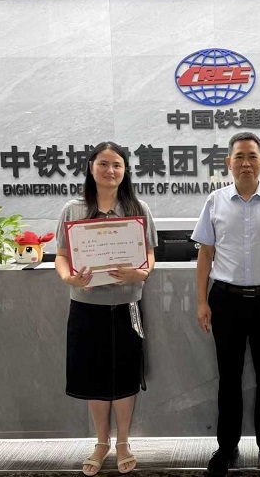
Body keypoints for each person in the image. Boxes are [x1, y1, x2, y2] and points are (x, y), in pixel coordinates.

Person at [191, 132, 260, 477]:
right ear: (228, 162)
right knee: (229, 379)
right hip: (226, 301)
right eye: (239, 156)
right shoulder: (215, 201)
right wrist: (201, 301)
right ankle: (227, 448)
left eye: (252, 156)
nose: (246, 163)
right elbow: (205, 254)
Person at [55, 141, 157, 476]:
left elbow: (149, 253)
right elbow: (61, 255)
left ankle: (124, 441)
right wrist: (69, 278)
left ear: (125, 170)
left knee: (125, 373)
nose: (110, 170)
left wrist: (142, 272)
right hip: (86, 306)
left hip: (126, 304)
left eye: (117, 165)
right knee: (93, 375)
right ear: (91, 167)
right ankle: (101, 442)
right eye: (103, 163)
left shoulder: (137, 208)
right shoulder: (73, 210)